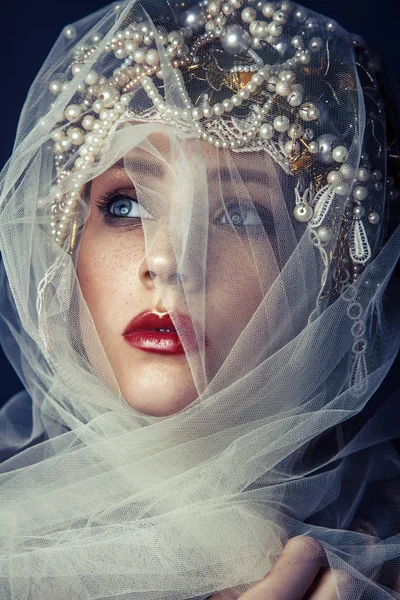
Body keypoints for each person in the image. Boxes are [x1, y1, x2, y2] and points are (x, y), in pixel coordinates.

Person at [0, 0, 399, 598]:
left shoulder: (376, 558)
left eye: (239, 212)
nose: (167, 260)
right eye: (125, 205)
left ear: (329, 277)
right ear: (67, 245)